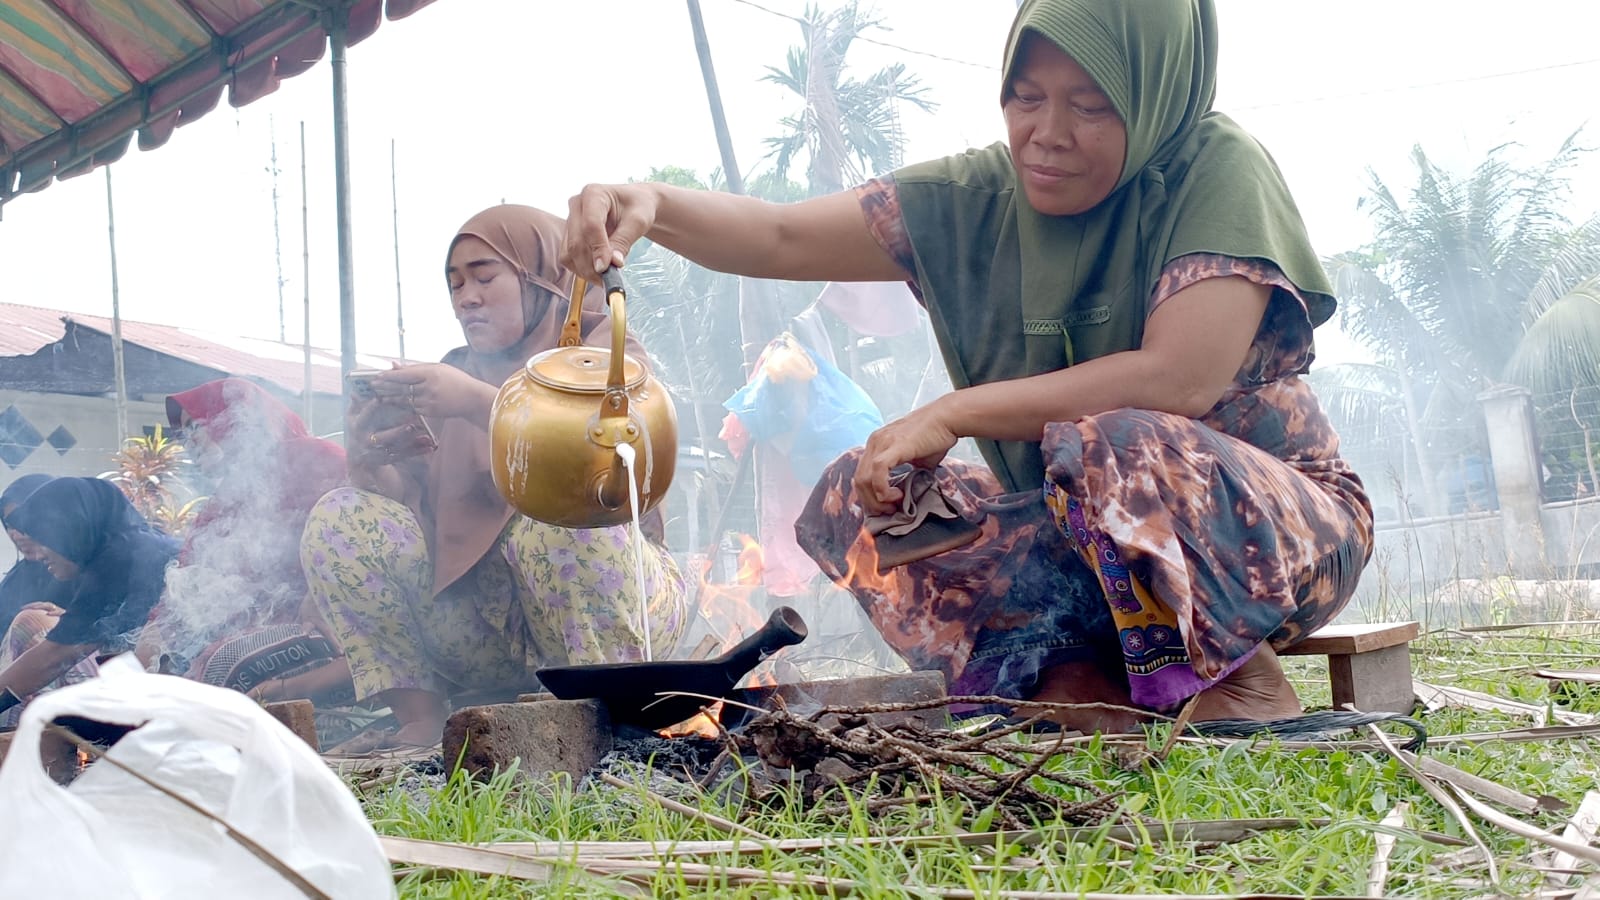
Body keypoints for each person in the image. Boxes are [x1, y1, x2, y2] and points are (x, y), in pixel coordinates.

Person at [561, 0, 1372, 733]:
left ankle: (1240, 677)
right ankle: (1073, 679)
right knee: (867, 493)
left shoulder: (1212, 166)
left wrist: (953, 412)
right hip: (1079, 539)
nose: (1047, 132)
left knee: (1117, 439)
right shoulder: (977, 197)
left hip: (1276, 540)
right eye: (1026, 97)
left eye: (1091, 105)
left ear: (1155, 95)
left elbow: (1179, 379)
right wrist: (654, 206)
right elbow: (780, 238)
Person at [303, 203, 688, 749]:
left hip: (615, 621)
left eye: (485, 276)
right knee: (341, 516)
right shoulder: (448, 376)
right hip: (487, 631)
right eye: (455, 284)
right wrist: (368, 462)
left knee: (558, 518)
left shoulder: (601, 349)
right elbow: (409, 522)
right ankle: (422, 720)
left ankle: (616, 723)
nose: (467, 297)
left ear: (541, 280)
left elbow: (604, 461)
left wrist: (479, 405)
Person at [141, 378, 352, 703]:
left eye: (194, 426)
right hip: (254, 626)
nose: (188, 443)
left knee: (221, 662)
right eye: (182, 434)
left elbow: (359, 529)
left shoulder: (312, 459)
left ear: (235, 419)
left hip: (328, 624)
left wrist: (320, 593)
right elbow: (190, 575)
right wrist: (155, 631)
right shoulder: (222, 501)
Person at [0, 477, 179, 721]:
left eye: (45, 540)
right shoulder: (128, 546)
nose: (40, 555)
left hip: (177, 698)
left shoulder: (121, 558)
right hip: (157, 692)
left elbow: (54, 656)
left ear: (70, 531)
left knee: (33, 625)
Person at [0, 475, 73, 635]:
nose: (17, 534)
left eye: (24, 522)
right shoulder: (15, 579)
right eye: (10, 525)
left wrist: (68, 619)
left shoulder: (81, 569)